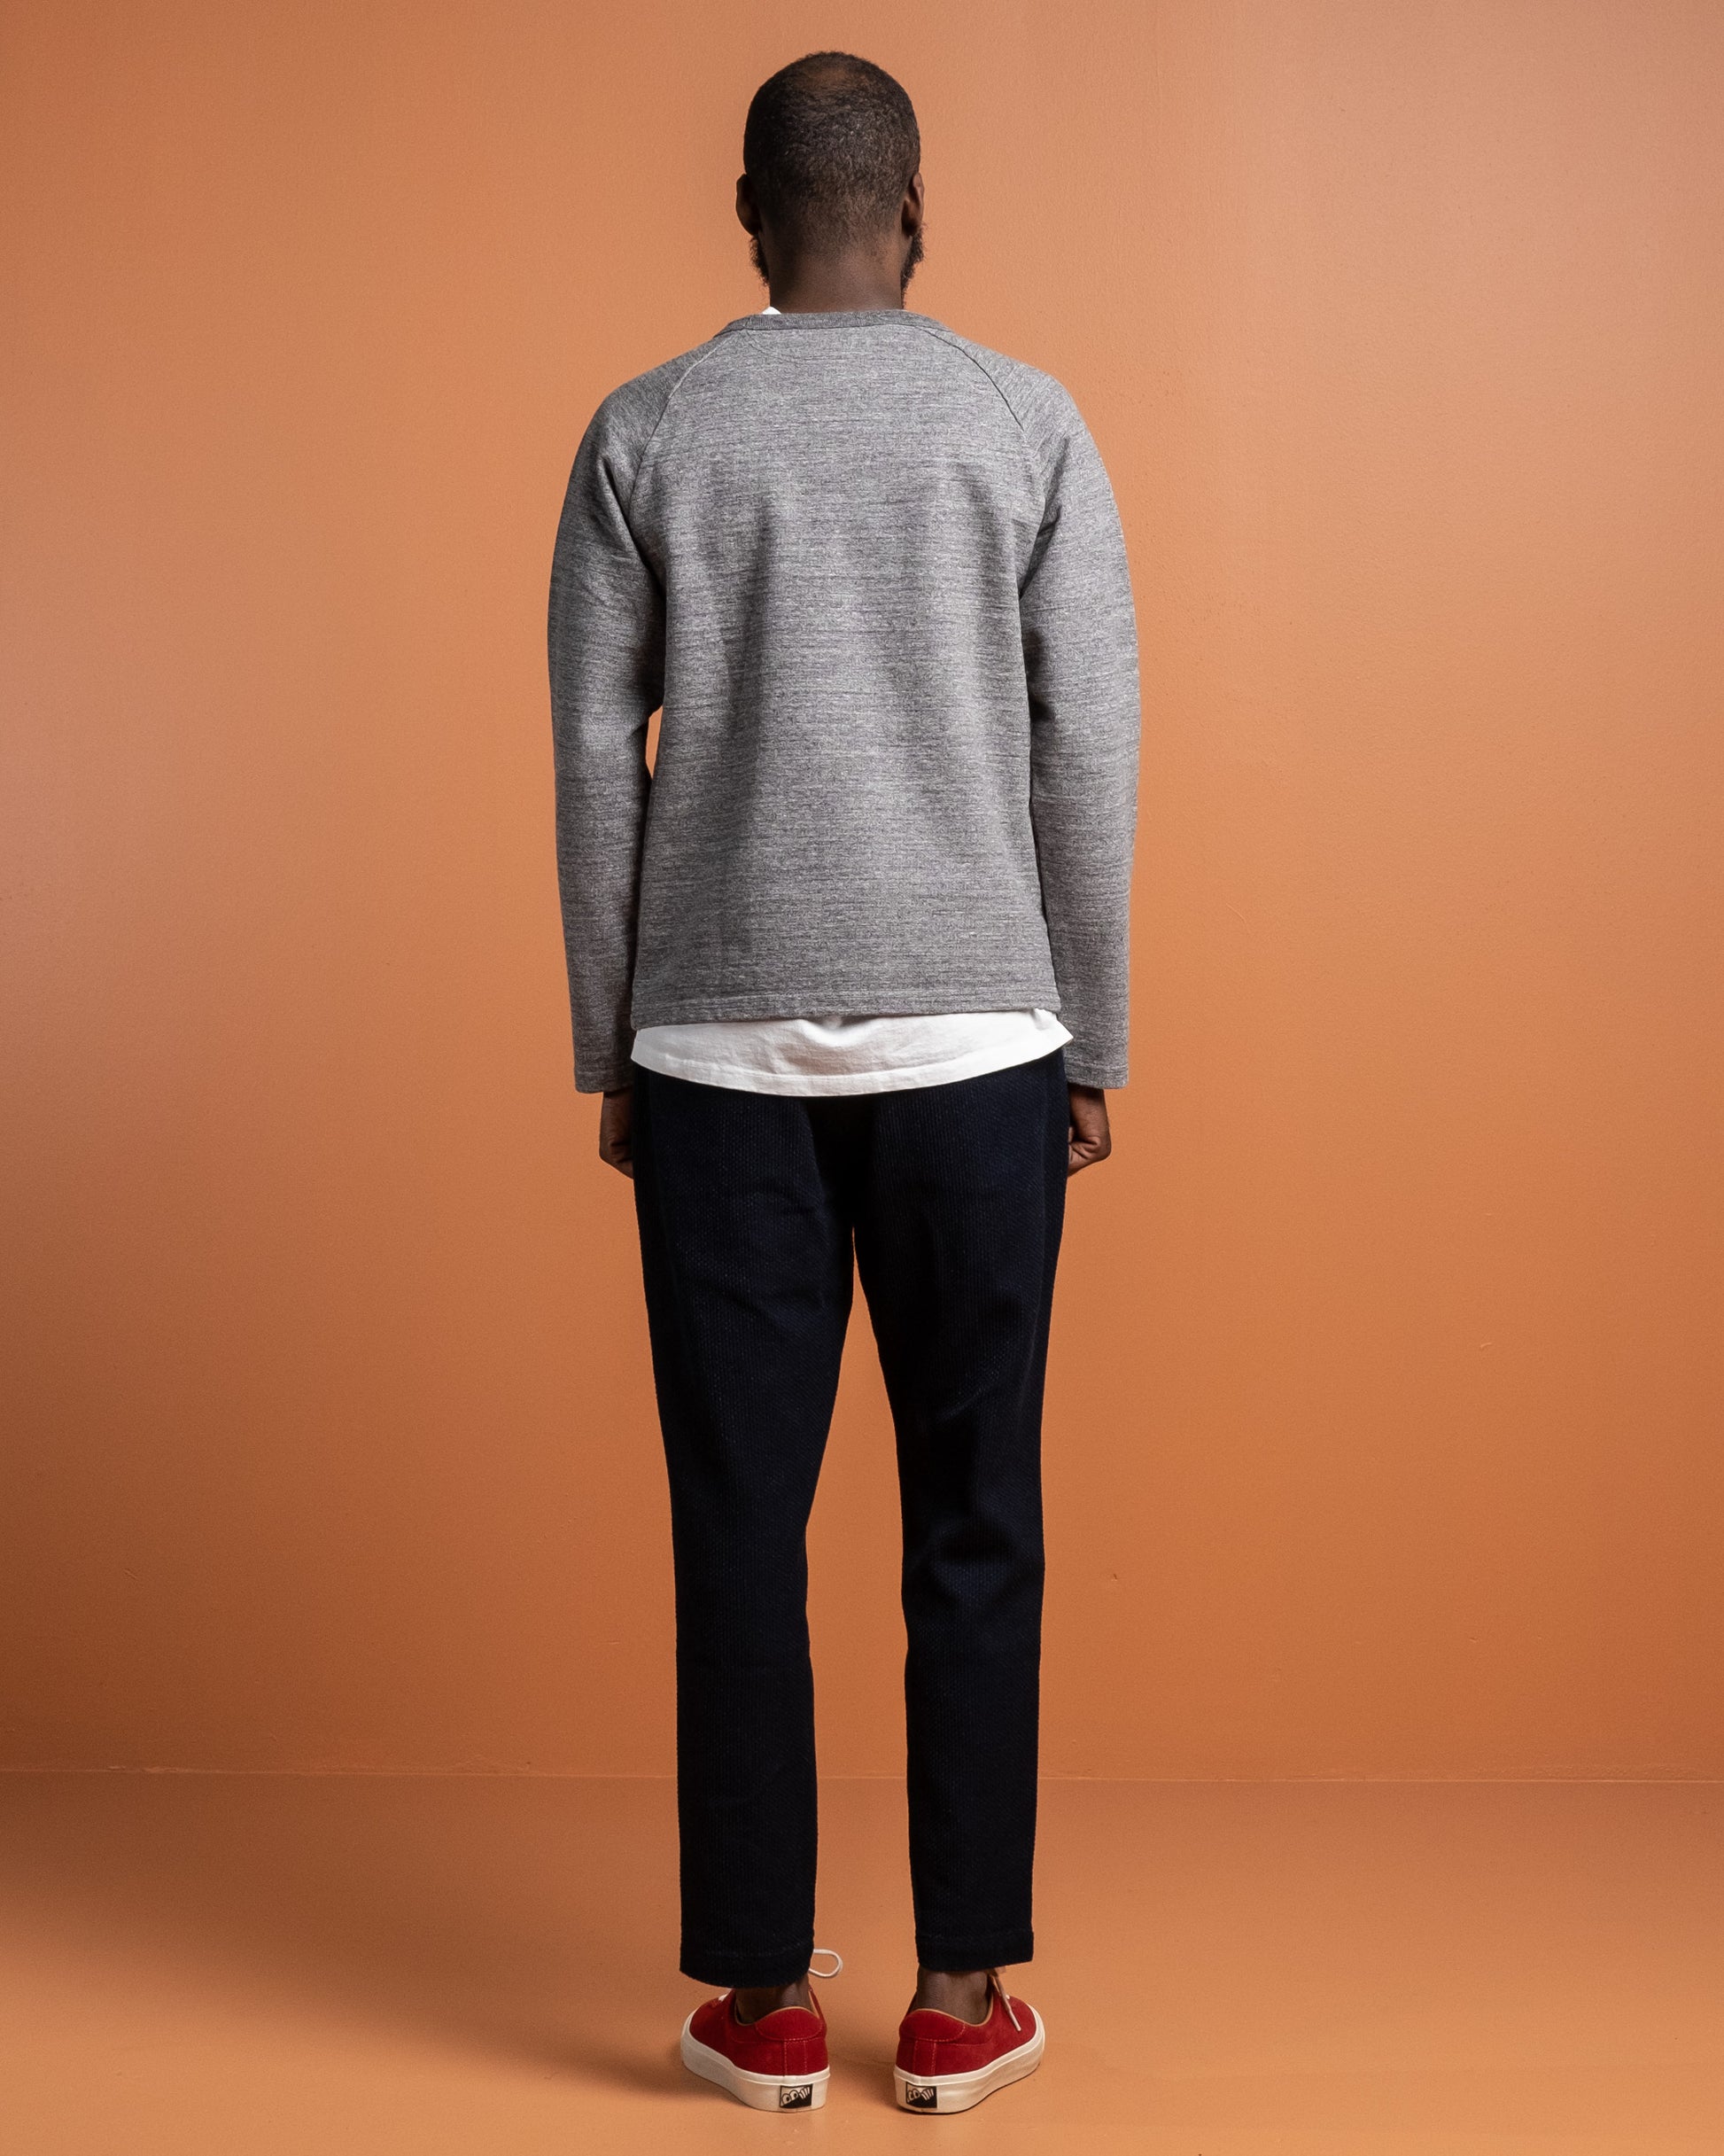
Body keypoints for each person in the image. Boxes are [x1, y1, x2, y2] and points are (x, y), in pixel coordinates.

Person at [548, 50, 1139, 2115]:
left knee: (739, 1520)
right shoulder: (1022, 419)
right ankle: (962, 1992)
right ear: (915, 211)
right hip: (979, 1046)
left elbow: (591, 757)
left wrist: (613, 1034)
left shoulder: (647, 427)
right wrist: (1092, 1032)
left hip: (714, 1052)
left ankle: (762, 2001)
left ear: (746, 217)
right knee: (976, 1511)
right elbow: (1087, 744)